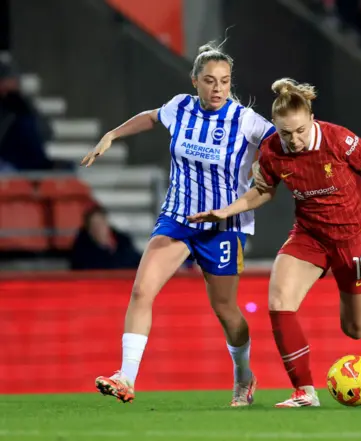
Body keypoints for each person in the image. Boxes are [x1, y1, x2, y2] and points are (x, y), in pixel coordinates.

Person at [188, 77, 361, 408]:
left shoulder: (339, 140)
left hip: (357, 237)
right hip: (309, 235)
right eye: (285, 133)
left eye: (299, 131)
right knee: (279, 299)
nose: (293, 140)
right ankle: (304, 391)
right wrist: (225, 211)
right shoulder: (272, 152)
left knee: (356, 329)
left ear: (311, 118)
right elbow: (263, 191)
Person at [82, 41, 275, 406]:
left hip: (223, 225)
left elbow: (280, 142)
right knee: (141, 291)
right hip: (178, 218)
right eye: (209, 80)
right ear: (194, 82)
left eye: (224, 81)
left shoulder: (245, 120)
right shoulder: (180, 107)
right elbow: (153, 117)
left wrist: (265, 169)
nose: (217, 88)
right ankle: (126, 376)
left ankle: (243, 375)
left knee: (226, 310)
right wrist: (113, 134)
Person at [70, 205, 141, 270]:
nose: (98, 228)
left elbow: (136, 261)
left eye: (100, 223)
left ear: (107, 223)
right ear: (89, 230)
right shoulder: (84, 252)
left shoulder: (124, 242)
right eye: (94, 225)